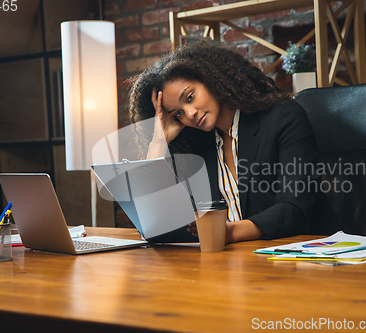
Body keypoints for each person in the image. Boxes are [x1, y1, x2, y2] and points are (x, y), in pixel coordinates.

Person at [127, 41, 334, 244]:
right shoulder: (199, 147)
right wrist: (158, 143)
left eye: (190, 97)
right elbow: (157, 225)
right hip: (227, 265)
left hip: (293, 259)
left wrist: (228, 232)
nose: (190, 113)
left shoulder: (283, 118)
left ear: (209, 79)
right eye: (178, 113)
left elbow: (294, 209)